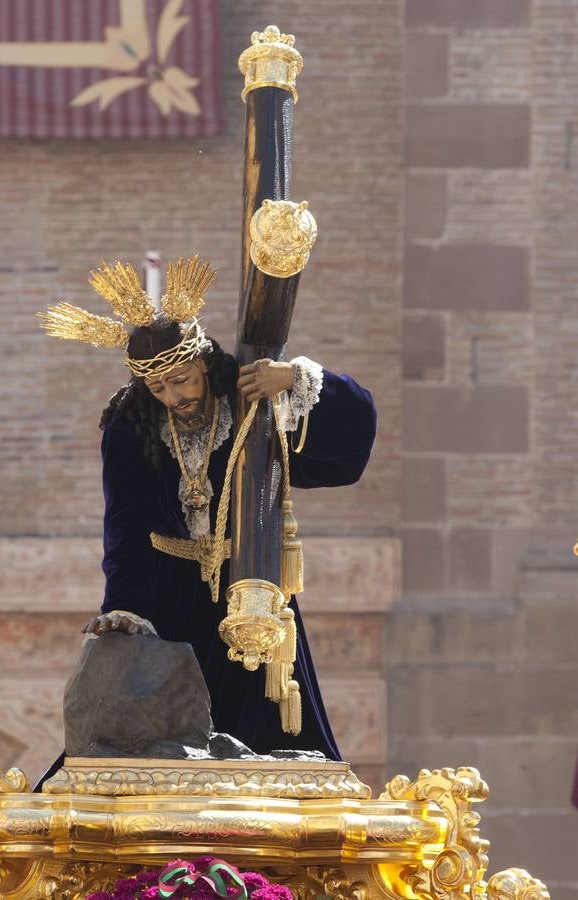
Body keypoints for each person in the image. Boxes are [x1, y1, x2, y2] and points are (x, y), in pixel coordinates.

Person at [39, 256, 376, 758]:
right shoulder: (131, 427)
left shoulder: (250, 403)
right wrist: (123, 606)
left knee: (270, 740)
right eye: (158, 388)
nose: (174, 396)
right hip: (169, 596)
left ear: (204, 363)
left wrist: (293, 378)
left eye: (183, 380)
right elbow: (126, 526)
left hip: (252, 584)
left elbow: (350, 440)